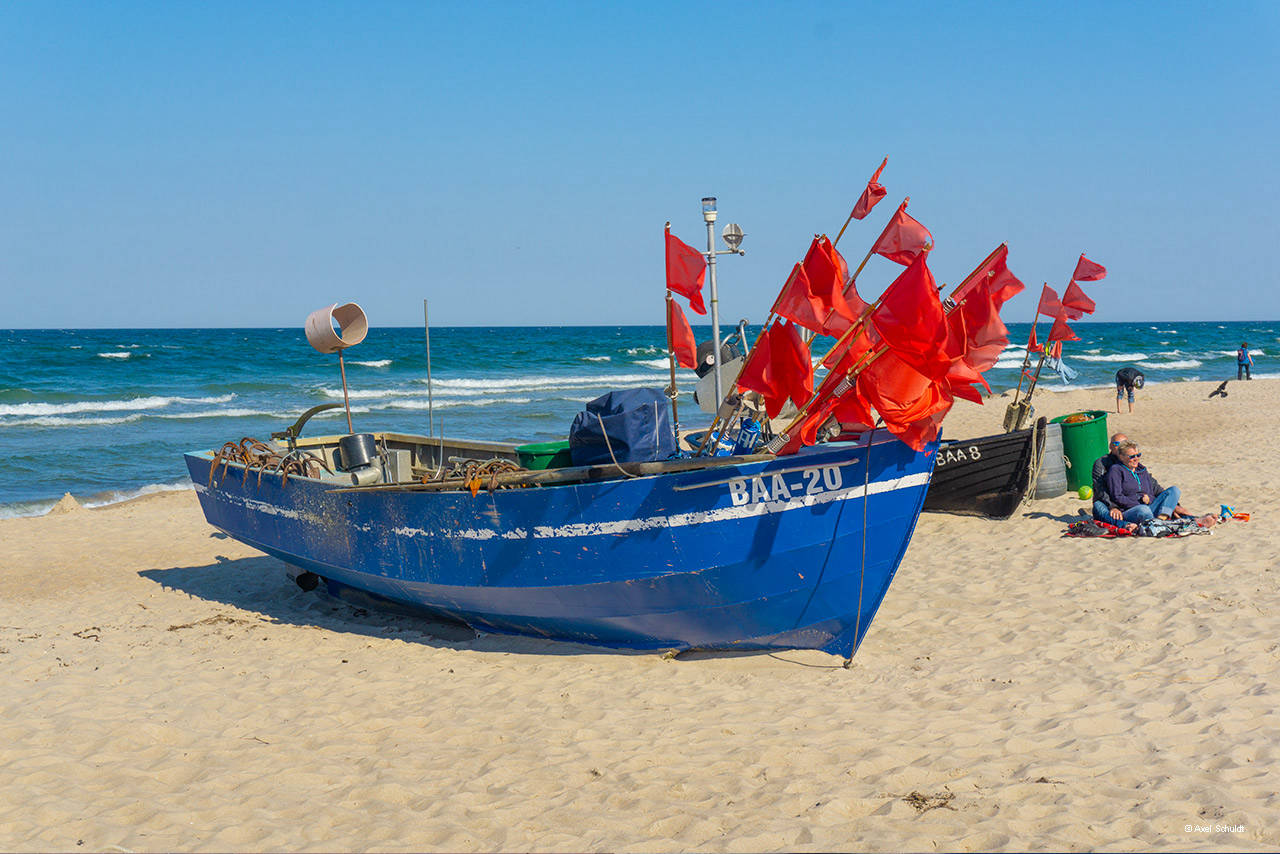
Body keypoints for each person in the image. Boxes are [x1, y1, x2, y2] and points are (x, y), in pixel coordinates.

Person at [1105, 441, 1192, 524]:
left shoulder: (1142, 470)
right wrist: (1139, 501)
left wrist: (1149, 499)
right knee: (1143, 509)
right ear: (1121, 457)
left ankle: (1161, 519)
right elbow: (1117, 497)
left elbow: (1151, 493)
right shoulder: (1116, 470)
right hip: (1131, 510)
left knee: (1174, 490)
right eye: (1132, 456)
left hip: (1149, 507)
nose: (1136, 459)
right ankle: (1156, 523)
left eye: (1138, 455)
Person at [1091, 432, 1128, 523]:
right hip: (1107, 504)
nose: (1121, 447)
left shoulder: (1131, 462)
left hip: (1127, 504)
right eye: (1117, 444)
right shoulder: (1101, 463)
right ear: (1110, 446)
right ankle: (1125, 525)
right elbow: (1100, 489)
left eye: (1124, 444)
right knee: (1098, 505)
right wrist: (1113, 507)